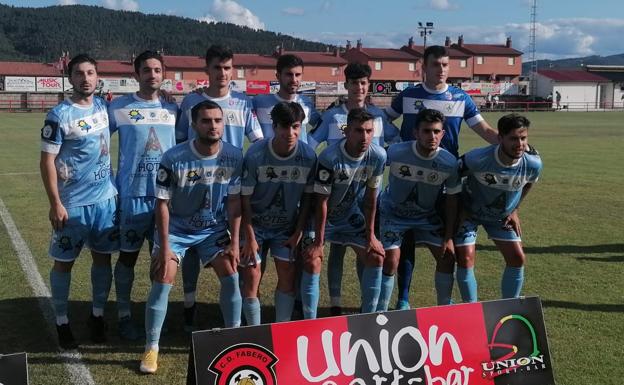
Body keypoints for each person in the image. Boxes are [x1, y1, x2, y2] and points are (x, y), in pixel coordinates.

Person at [385, 45, 499, 310]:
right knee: (407, 238)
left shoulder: (461, 98)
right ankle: (403, 299)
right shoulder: (408, 95)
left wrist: (507, 145)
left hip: (446, 179)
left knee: (449, 244)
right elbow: (383, 119)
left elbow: (483, 129)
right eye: (436, 64)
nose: (441, 70)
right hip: (409, 176)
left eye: (446, 65)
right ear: (423, 67)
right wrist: (396, 142)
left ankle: (446, 307)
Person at [140, 100, 243, 374]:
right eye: (206, 121)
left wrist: (234, 242)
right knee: (163, 278)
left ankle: (234, 340)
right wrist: (163, 247)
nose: (213, 126)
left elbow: (234, 203)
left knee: (232, 274)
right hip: (176, 230)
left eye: (218, 121)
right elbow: (161, 204)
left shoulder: (235, 156)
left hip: (213, 230)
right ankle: (152, 347)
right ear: (194, 124)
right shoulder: (172, 157)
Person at [175, 45, 262, 330]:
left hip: (232, 191)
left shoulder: (244, 103)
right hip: (197, 188)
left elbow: (258, 142)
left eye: (227, 67)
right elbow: (178, 143)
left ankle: (239, 319)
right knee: (190, 248)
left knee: (235, 255)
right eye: (217, 67)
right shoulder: (190, 102)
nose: (222, 73)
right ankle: (189, 306)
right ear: (207, 70)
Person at [308, 62, 399, 316]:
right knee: (335, 250)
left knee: (367, 253)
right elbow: (311, 144)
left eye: (363, 83)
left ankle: (368, 309)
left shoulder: (378, 117)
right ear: (346, 85)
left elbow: (396, 141)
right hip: (335, 194)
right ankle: (335, 303)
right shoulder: (333, 116)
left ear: (368, 85)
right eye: (354, 83)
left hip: (365, 198)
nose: (359, 88)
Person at [40, 54, 118, 349]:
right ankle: (62, 321)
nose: (85, 78)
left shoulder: (103, 106)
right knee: (64, 264)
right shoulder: (59, 115)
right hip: (72, 205)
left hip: (106, 202)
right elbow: (47, 161)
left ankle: (97, 316)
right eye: (79, 74)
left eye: (90, 73)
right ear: (70, 78)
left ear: (98, 77)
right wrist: (55, 202)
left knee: (102, 259)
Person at [108, 50, 178, 340]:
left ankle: (153, 314)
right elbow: (98, 140)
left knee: (163, 259)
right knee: (127, 258)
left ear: (164, 75)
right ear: (136, 75)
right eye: (146, 70)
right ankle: (124, 315)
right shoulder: (119, 108)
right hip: (132, 197)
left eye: (157, 70)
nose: (152, 75)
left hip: (167, 199)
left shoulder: (174, 109)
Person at [302, 108, 386, 319]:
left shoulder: (378, 156)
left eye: (369, 131)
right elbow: (321, 201)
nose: (365, 137)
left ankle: (370, 319)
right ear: (346, 131)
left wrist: (371, 235)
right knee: (313, 260)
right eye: (358, 131)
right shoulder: (329, 157)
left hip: (351, 217)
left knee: (376, 256)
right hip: (321, 219)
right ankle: (308, 321)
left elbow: (370, 199)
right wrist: (319, 242)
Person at [239, 101, 316, 324]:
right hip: (256, 226)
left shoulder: (308, 157)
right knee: (252, 275)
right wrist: (250, 237)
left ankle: (282, 328)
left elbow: (307, 198)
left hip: (286, 228)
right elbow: (244, 199)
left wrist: (299, 231)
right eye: (284, 126)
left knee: (288, 275)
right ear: (274, 127)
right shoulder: (255, 154)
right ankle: (254, 330)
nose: (290, 133)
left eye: (296, 126)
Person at [377, 109, 461, 310]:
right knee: (391, 259)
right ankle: (381, 310)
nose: (431, 136)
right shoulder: (396, 152)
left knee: (447, 256)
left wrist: (448, 237)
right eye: (426, 131)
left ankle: (444, 308)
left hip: (426, 217)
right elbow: (373, 163)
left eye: (436, 131)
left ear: (442, 134)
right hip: (392, 214)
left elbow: (452, 201)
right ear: (416, 133)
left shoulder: (449, 163)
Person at [453, 113, 542, 303]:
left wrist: (514, 209)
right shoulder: (478, 158)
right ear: (500, 138)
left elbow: (528, 183)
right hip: (470, 215)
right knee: (466, 259)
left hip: (500, 217)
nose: (519, 144)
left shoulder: (533, 163)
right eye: (513, 138)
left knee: (517, 258)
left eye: (523, 138)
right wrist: (459, 208)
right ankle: (471, 309)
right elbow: (453, 174)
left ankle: (509, 306)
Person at [252, 54, 321, 143]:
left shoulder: (307, 103)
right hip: (268, 156)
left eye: (298, 75)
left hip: (299, 156)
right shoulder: (258, 102)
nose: (294, 79)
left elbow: (322, 124)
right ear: (278, 76)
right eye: (289, 74)